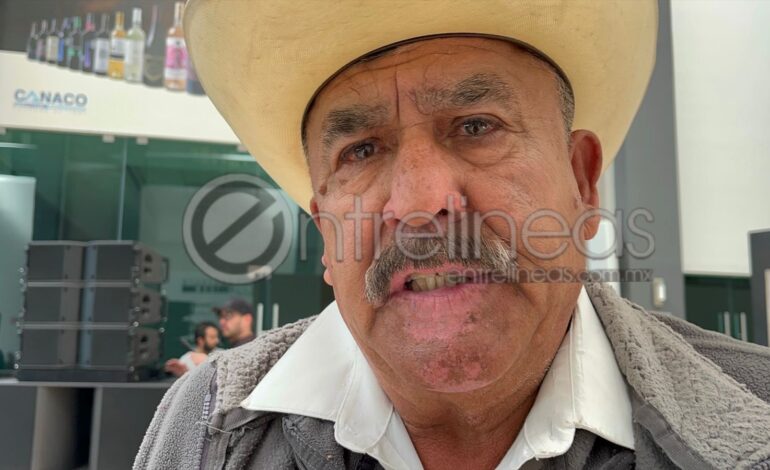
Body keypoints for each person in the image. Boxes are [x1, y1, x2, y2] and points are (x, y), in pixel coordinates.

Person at [135, 2, 770, 469]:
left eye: (475, 125)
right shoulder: (205, 433)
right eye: (360, 151)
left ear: (581, 184)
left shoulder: (755, 414)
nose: (417, 204)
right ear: (325, 231)